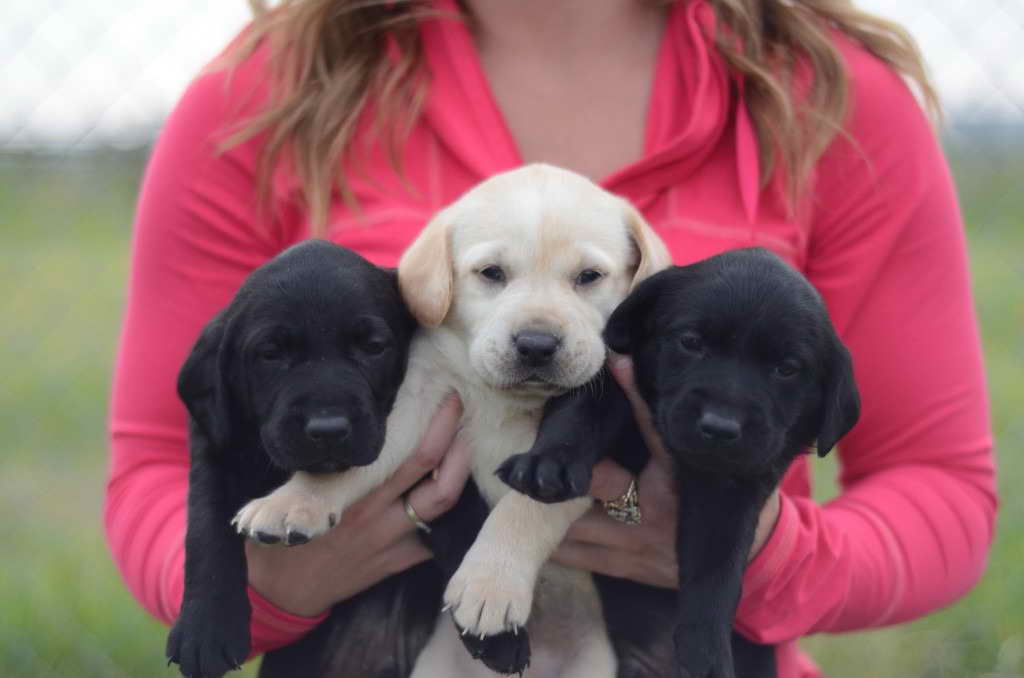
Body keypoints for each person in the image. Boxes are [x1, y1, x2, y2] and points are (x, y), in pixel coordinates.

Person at [104, 0, 996, 675]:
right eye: (487, 275)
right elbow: (157, 457)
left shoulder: (831, 96)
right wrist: (266, 588)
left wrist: (763, 558)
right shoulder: (265, 93)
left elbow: (945, 491)